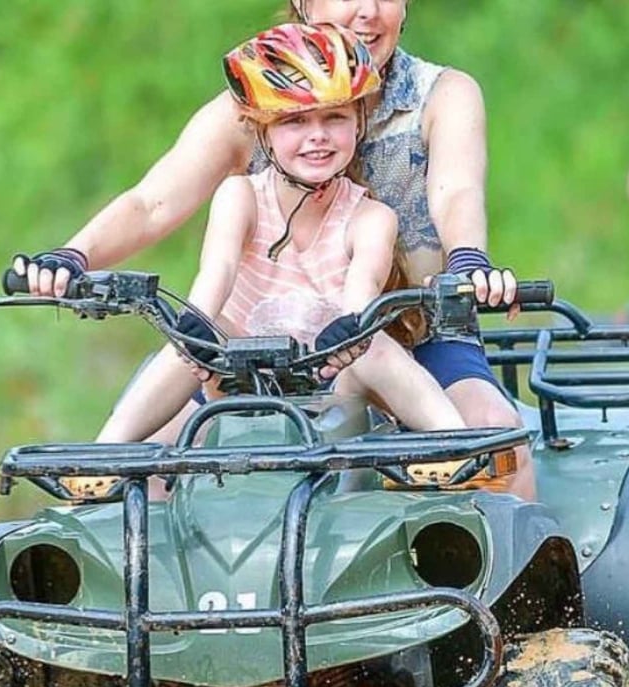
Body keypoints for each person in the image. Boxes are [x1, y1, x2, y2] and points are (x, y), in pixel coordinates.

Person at [11, 0, 534, 497]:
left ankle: (514, 587)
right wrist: (70, 258)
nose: (367, 11)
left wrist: (469, 261)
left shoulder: (440, 95)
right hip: (255, 353)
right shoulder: (253, 100)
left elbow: (456, 192)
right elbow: (153, 202)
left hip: (412, 334)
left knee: (495, 436)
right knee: (142, 467)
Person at [93, 23, 464, 449]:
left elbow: (363, 287)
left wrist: (352, 330)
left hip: (331, 386)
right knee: (192, 339)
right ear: (262, 131)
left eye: (335, 117)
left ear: (359, 122)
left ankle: (454, 445)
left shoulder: (371, 217)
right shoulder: (241, 196)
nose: (317, 136)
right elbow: (220, 269)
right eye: (295, 121)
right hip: (239, 381)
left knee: (374, 345)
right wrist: (195, 324)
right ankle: (99, 461)